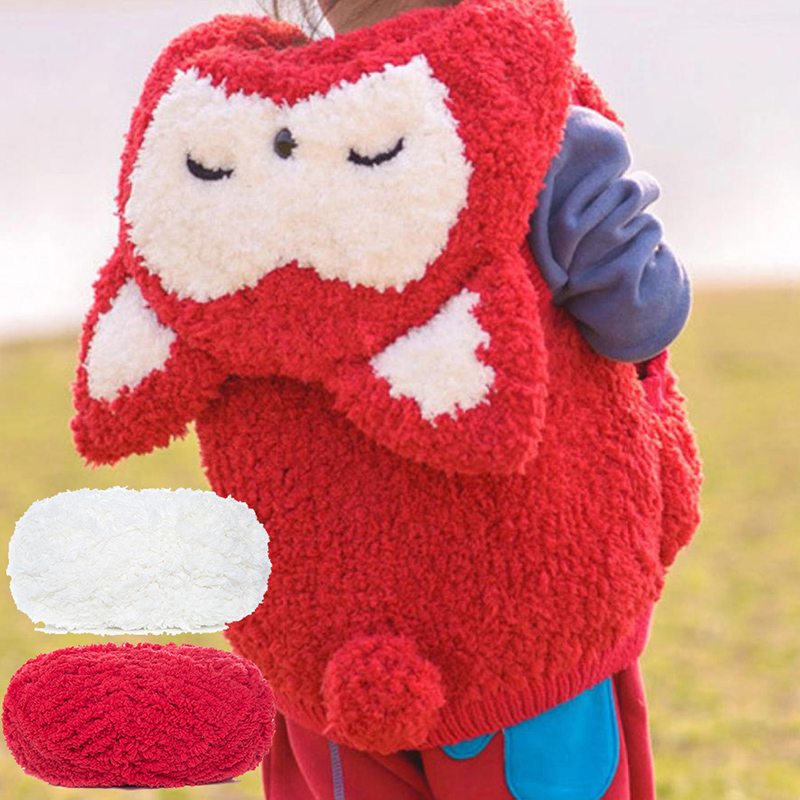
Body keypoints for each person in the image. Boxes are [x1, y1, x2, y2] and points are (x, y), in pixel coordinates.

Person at [262, 0, 690, 798]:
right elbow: (639, 317)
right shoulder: (537, 118)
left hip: (326, 637)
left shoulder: (247, 133)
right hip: (522, 625)